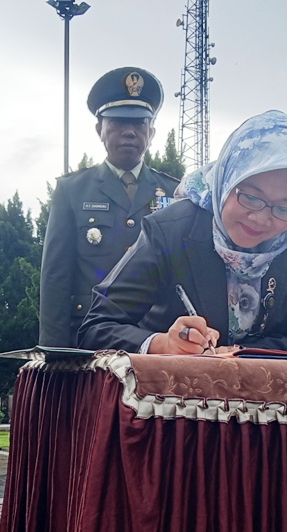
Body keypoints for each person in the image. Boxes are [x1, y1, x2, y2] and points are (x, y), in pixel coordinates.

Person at [78, 110, 287, 355]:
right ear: (226, 180)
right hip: (168, 380)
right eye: (251, 197)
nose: (261, 218)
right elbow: (97, 327)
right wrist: (162, 344)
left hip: (259, 380)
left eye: (284, 208)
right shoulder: (170, 230)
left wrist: (238, 354)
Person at [39, 66, 181, 348]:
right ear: (99, 130)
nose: (129, 132)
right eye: (117, 122)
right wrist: (55, 353)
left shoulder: (174, 193)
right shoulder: (72, 190)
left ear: (151, 132)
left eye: (139, 123)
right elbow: (56, 279)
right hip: (88, 338)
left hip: (156, 342)